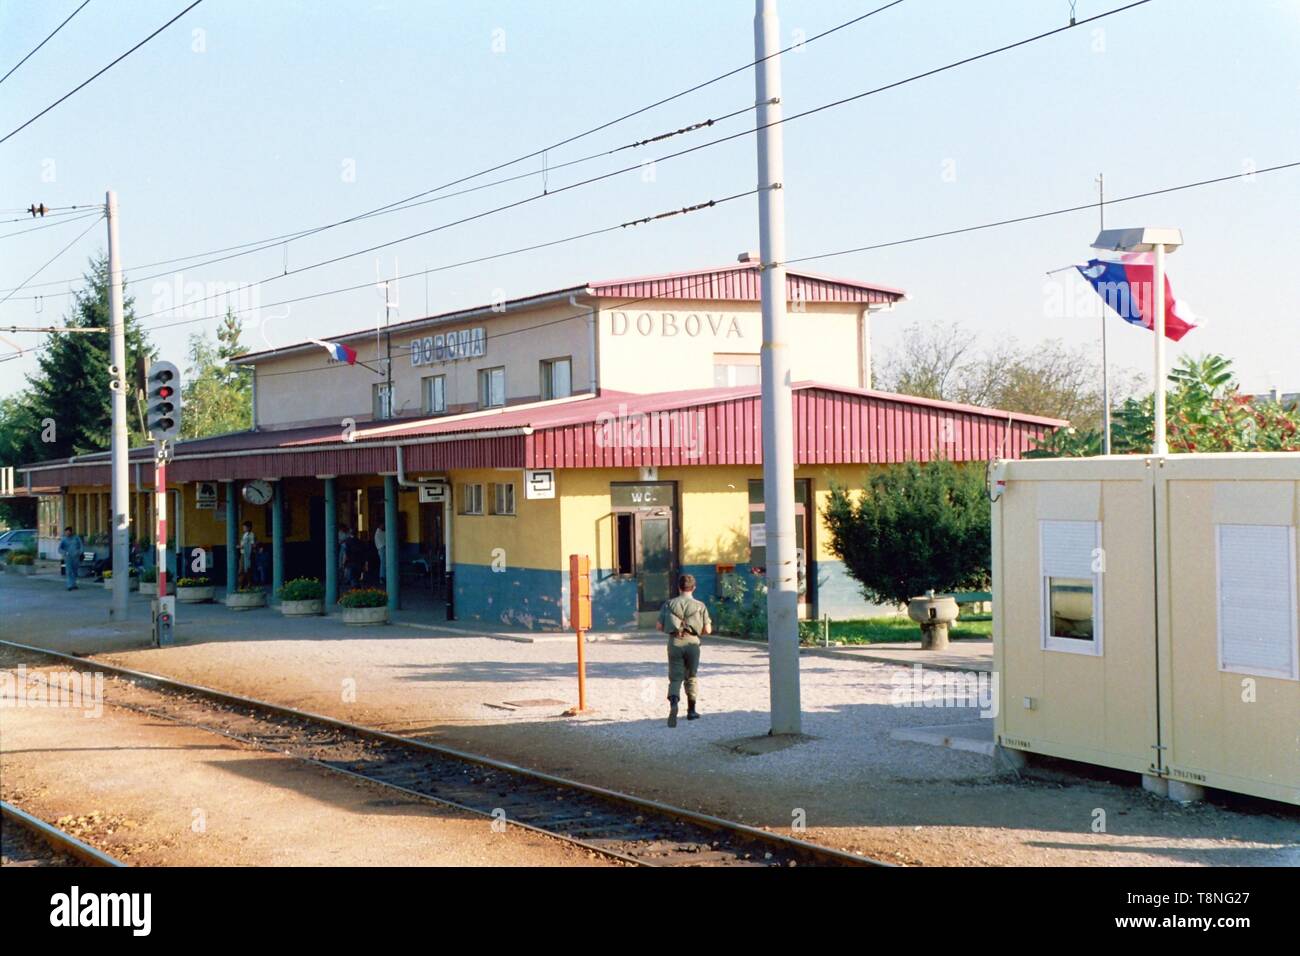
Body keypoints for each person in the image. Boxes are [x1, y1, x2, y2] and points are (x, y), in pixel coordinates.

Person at [656, 573, 712, 728]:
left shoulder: (668, 604)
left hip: (675, 642)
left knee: (675, 678)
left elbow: (659, 626)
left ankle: (674, 704)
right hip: (693, 643)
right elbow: (708, 629)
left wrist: (674, 629)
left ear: (679, 587)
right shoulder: (700, 606)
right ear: (693, 588)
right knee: (691, 676)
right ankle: (691, 711)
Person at [58, 526, 84, 591]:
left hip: (76, 557)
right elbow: (59, 549)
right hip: (68, 557)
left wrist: (80, 552)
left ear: (71, 532)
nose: (67, 534)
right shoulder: (64, 540)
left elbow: (81, 546)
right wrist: (64, 552)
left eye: (68, 532)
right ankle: (69, 585)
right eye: (66, 533)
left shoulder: (76, 538)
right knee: (69, 571)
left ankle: (74, 584)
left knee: (75, 571)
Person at [239, 521, 256, 588]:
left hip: (247, 554)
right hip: (243, 553)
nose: (243, 528)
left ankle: (248, 584)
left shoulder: (251, 535)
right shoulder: (244, 535)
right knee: (242, 569)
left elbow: (252, 544)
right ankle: (242, 584)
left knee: (246, 569)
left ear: (249, 527)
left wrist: (242, 546)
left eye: (245, 527)